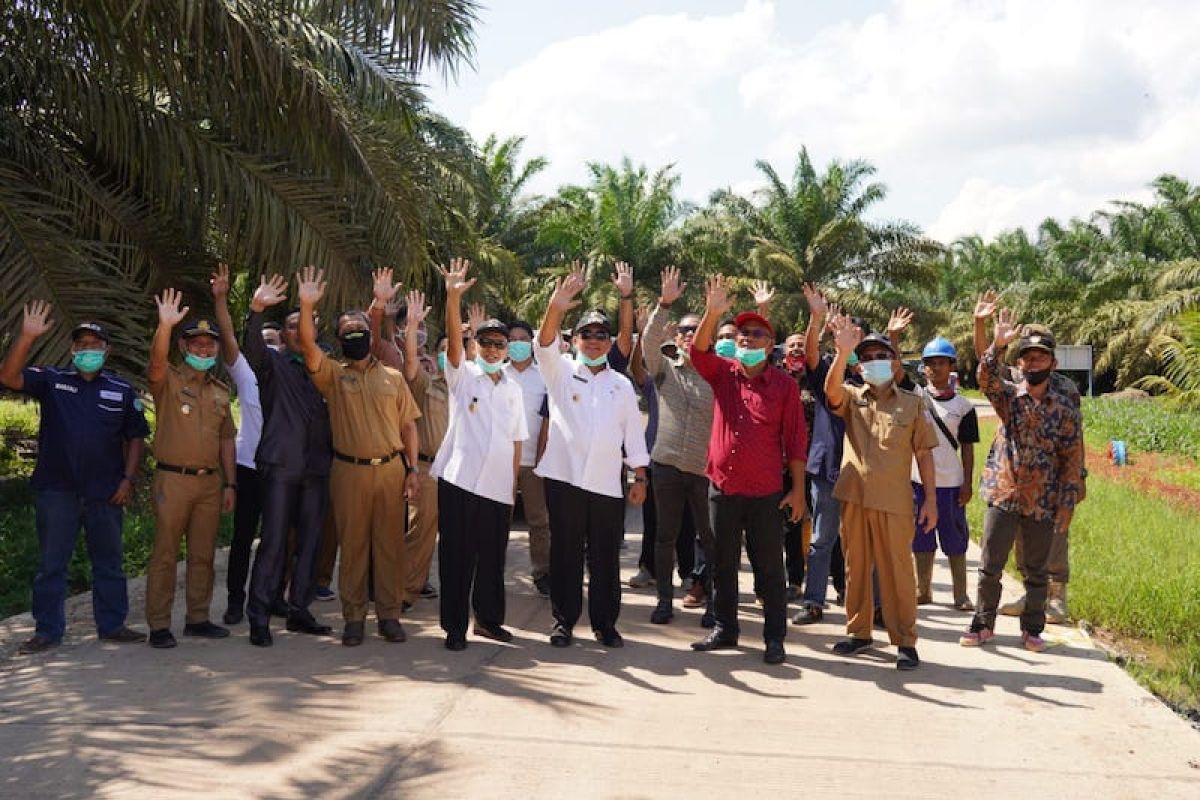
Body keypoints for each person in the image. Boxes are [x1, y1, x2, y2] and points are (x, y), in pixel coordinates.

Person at [0, 304, 150, 653]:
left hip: (106, 492)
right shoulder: (53, 380)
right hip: (57, 491)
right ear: (72, 350)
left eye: (95, 345)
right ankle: (47, 631)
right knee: (52, 565)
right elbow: (8, 377)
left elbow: (136, 437)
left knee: (109, 563)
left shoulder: (122, 390)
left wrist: (127, 480)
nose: (88, 350)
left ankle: (113, 624)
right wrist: (27, 336)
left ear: (106, 350)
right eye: (81, 344)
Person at [295, 266, 421, 647]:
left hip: (391, 471)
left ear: (370, 334)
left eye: (360, 329)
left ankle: (389, 615)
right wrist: (305, 306)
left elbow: (409, 427)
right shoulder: (332, 374)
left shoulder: (394, 378)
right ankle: (353, 618)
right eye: (347, 331)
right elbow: (307, 347)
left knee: (389, 547)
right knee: (352, 546)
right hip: (347, 471)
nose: (355, 335)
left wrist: (412, 469)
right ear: (339, 338)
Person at [688, 275, 807, 666]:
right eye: (742, 333)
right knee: (722, 561)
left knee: (769, 566)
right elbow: (698, 350)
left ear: (770, 346)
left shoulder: (785, 387)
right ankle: (725, 628)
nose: (747, 339)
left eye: (757, 334)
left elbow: (794, 442)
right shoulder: (722, 373)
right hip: (723, 487)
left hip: (765, 491)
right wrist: (712, 311)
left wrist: (799, 490)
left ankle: (774, 637)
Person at [534, 262, 649, 649]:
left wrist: (640, 477)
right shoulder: (561, 372)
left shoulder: (620, 383)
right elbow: (544, 344)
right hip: (564, 479)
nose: (595, 340)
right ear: (575, 339)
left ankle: (605, 624)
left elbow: (632, 434)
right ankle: (563, 621)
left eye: (602, 334)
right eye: (587, 333)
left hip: (606, 483)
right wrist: (556, 305)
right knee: (564, 553)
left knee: (604, 558)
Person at [960, 309, 1085, 652]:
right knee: (990, 566)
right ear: (1021, 364)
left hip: (1043, 498)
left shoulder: (1064, 405)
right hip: (1004, 492)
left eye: (1040, 356)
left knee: (1036, 571)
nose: (1033, 362)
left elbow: (1073, 454)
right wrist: (996, 344)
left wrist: (1069, 500)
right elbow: (985, 378)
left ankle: (1032, 629)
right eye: (1027, 357)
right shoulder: (1009, 397)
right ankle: (982, 624)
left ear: (1053, 362)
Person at [824, 314, 939, 671]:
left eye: (881, 355)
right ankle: (859, 633)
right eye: (867, 356)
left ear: (894, 362)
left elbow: (924, 453)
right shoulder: (853, 396)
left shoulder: (912, 403)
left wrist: (932, 500)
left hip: (894, 501)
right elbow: (830, 392)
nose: (874, 361)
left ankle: (905, 640)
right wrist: (843, 353)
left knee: (898, 572)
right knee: (855, 567)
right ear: (860, 366)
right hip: (855, 496)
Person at [432, 259, 527, 649]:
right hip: (459, 482)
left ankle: (488, 620)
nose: (491, 349)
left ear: (508, 350)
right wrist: (453, 299)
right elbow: (454, 346)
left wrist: (513, 486)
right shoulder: (463, 375)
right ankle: (455, 627)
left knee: (492, 560)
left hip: (498, 488)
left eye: (498, 344)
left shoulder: (514, 389)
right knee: (457, 558)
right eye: (484, 342)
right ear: (476, 346)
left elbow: (518, 440)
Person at [239, 271, 335, 646]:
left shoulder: (325, 368)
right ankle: (259, 617)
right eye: (292, 325)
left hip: (317, 469)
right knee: (275, 542)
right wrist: (256, 310)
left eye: (304, 324)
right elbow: (251, 350)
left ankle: (299, 610)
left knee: (310, 542)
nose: (298, 330)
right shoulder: (272, 364)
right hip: (281, 465)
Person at [144, 290, 237, 648]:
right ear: (183, 347)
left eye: (209, 346)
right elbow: (154, 364)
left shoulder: (219, 391)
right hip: (173, 479)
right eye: (196, 344)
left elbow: (227, 439)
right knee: (166, 554)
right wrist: (164, 326)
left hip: (209, 484)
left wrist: (230, 484)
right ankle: (159, 625)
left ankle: (198, 618)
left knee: (203, 554)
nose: (203, 350)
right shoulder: (168, 380)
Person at [637, 266, 716, 626]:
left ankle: (714, 604)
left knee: (711, 540)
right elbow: (648, 343)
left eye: (696, 330)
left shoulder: (718, 373)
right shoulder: (665, 368)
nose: (688, 335)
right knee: (664, 537)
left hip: (704, 470)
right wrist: (664, 304)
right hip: (666, 465)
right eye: (684, 330)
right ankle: (664, 601)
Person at [368, 282, 446, 608]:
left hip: (431, 464)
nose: (418, 331)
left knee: (421, 530)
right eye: (411, 325)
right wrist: (388, 319)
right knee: (396, 529)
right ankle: (391, 588)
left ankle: (410, 582)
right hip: (397, 457)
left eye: (422, 326)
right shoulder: (391, 356)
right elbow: (387, 350)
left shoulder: (437, 371)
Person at [209, 264, 271, 628]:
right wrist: (220, 299)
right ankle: (235, 600)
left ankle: (269, 598)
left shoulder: (291, 378)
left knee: (275, 540)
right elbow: (228, 335)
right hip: (249, 468)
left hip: (279, 469)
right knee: (243, 537)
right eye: (264, 342)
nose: (269, 348)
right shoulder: (247, 375)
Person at [911, 336, 979, 610]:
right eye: (930, 364)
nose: (935, 368)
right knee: (921, 536)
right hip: (917, 481)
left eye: (941, 363)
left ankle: (960, 595)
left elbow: (968, 449)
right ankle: (922, 590)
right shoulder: (915, 398)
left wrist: (967, 483)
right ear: (923, 368)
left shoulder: (964, 407)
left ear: (951, 366)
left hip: (951, 484)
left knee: (955, 537)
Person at [504, 319, 552, 596]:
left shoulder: (544, 376)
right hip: (502, 462)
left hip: (535, 461)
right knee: (499, 519)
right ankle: (492, 566)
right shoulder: (497, 373)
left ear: (532, 344)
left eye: (523, 339)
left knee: (539, 521)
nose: (518, 344)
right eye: (513, 339)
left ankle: (542, 571)